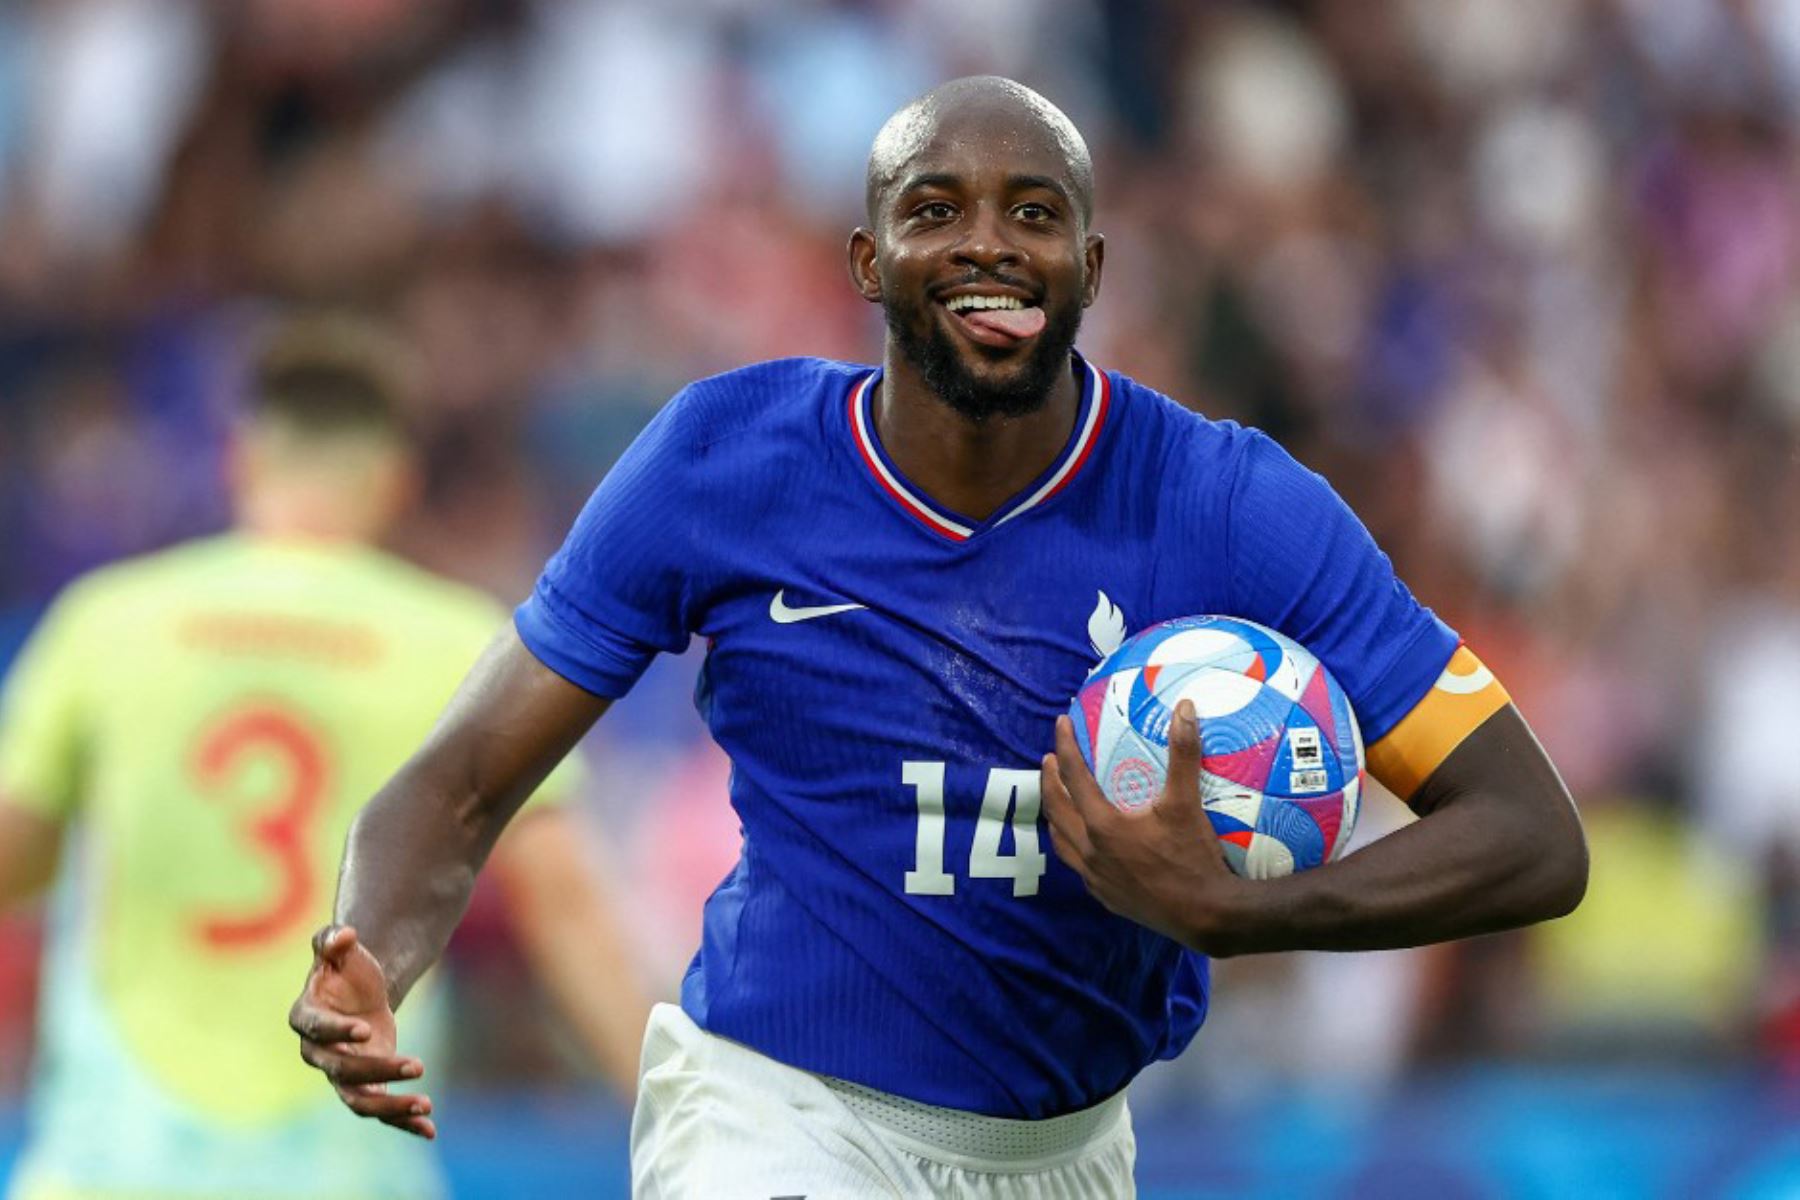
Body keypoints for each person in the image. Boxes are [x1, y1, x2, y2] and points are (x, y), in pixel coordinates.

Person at [291, 77, 1588, 1197]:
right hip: (771, 1116)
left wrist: (1249, 914)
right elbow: (461, 784)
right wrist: (372, 956)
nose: (989, 245)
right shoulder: (720, 464)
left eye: (1035, 214)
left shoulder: (1233, 510)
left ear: (1094, 265)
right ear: (866, 261)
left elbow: (1530, 835)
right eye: (934, 210)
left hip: (1068, 1152)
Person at [0, 314, 649, 1200]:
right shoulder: (456, 644)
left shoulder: (107, 621)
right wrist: (674, 1126)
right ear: (394, 481)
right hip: (340, 1171)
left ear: (242, 460)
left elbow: (14, 853)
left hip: (111, 1164)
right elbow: (564, 906)